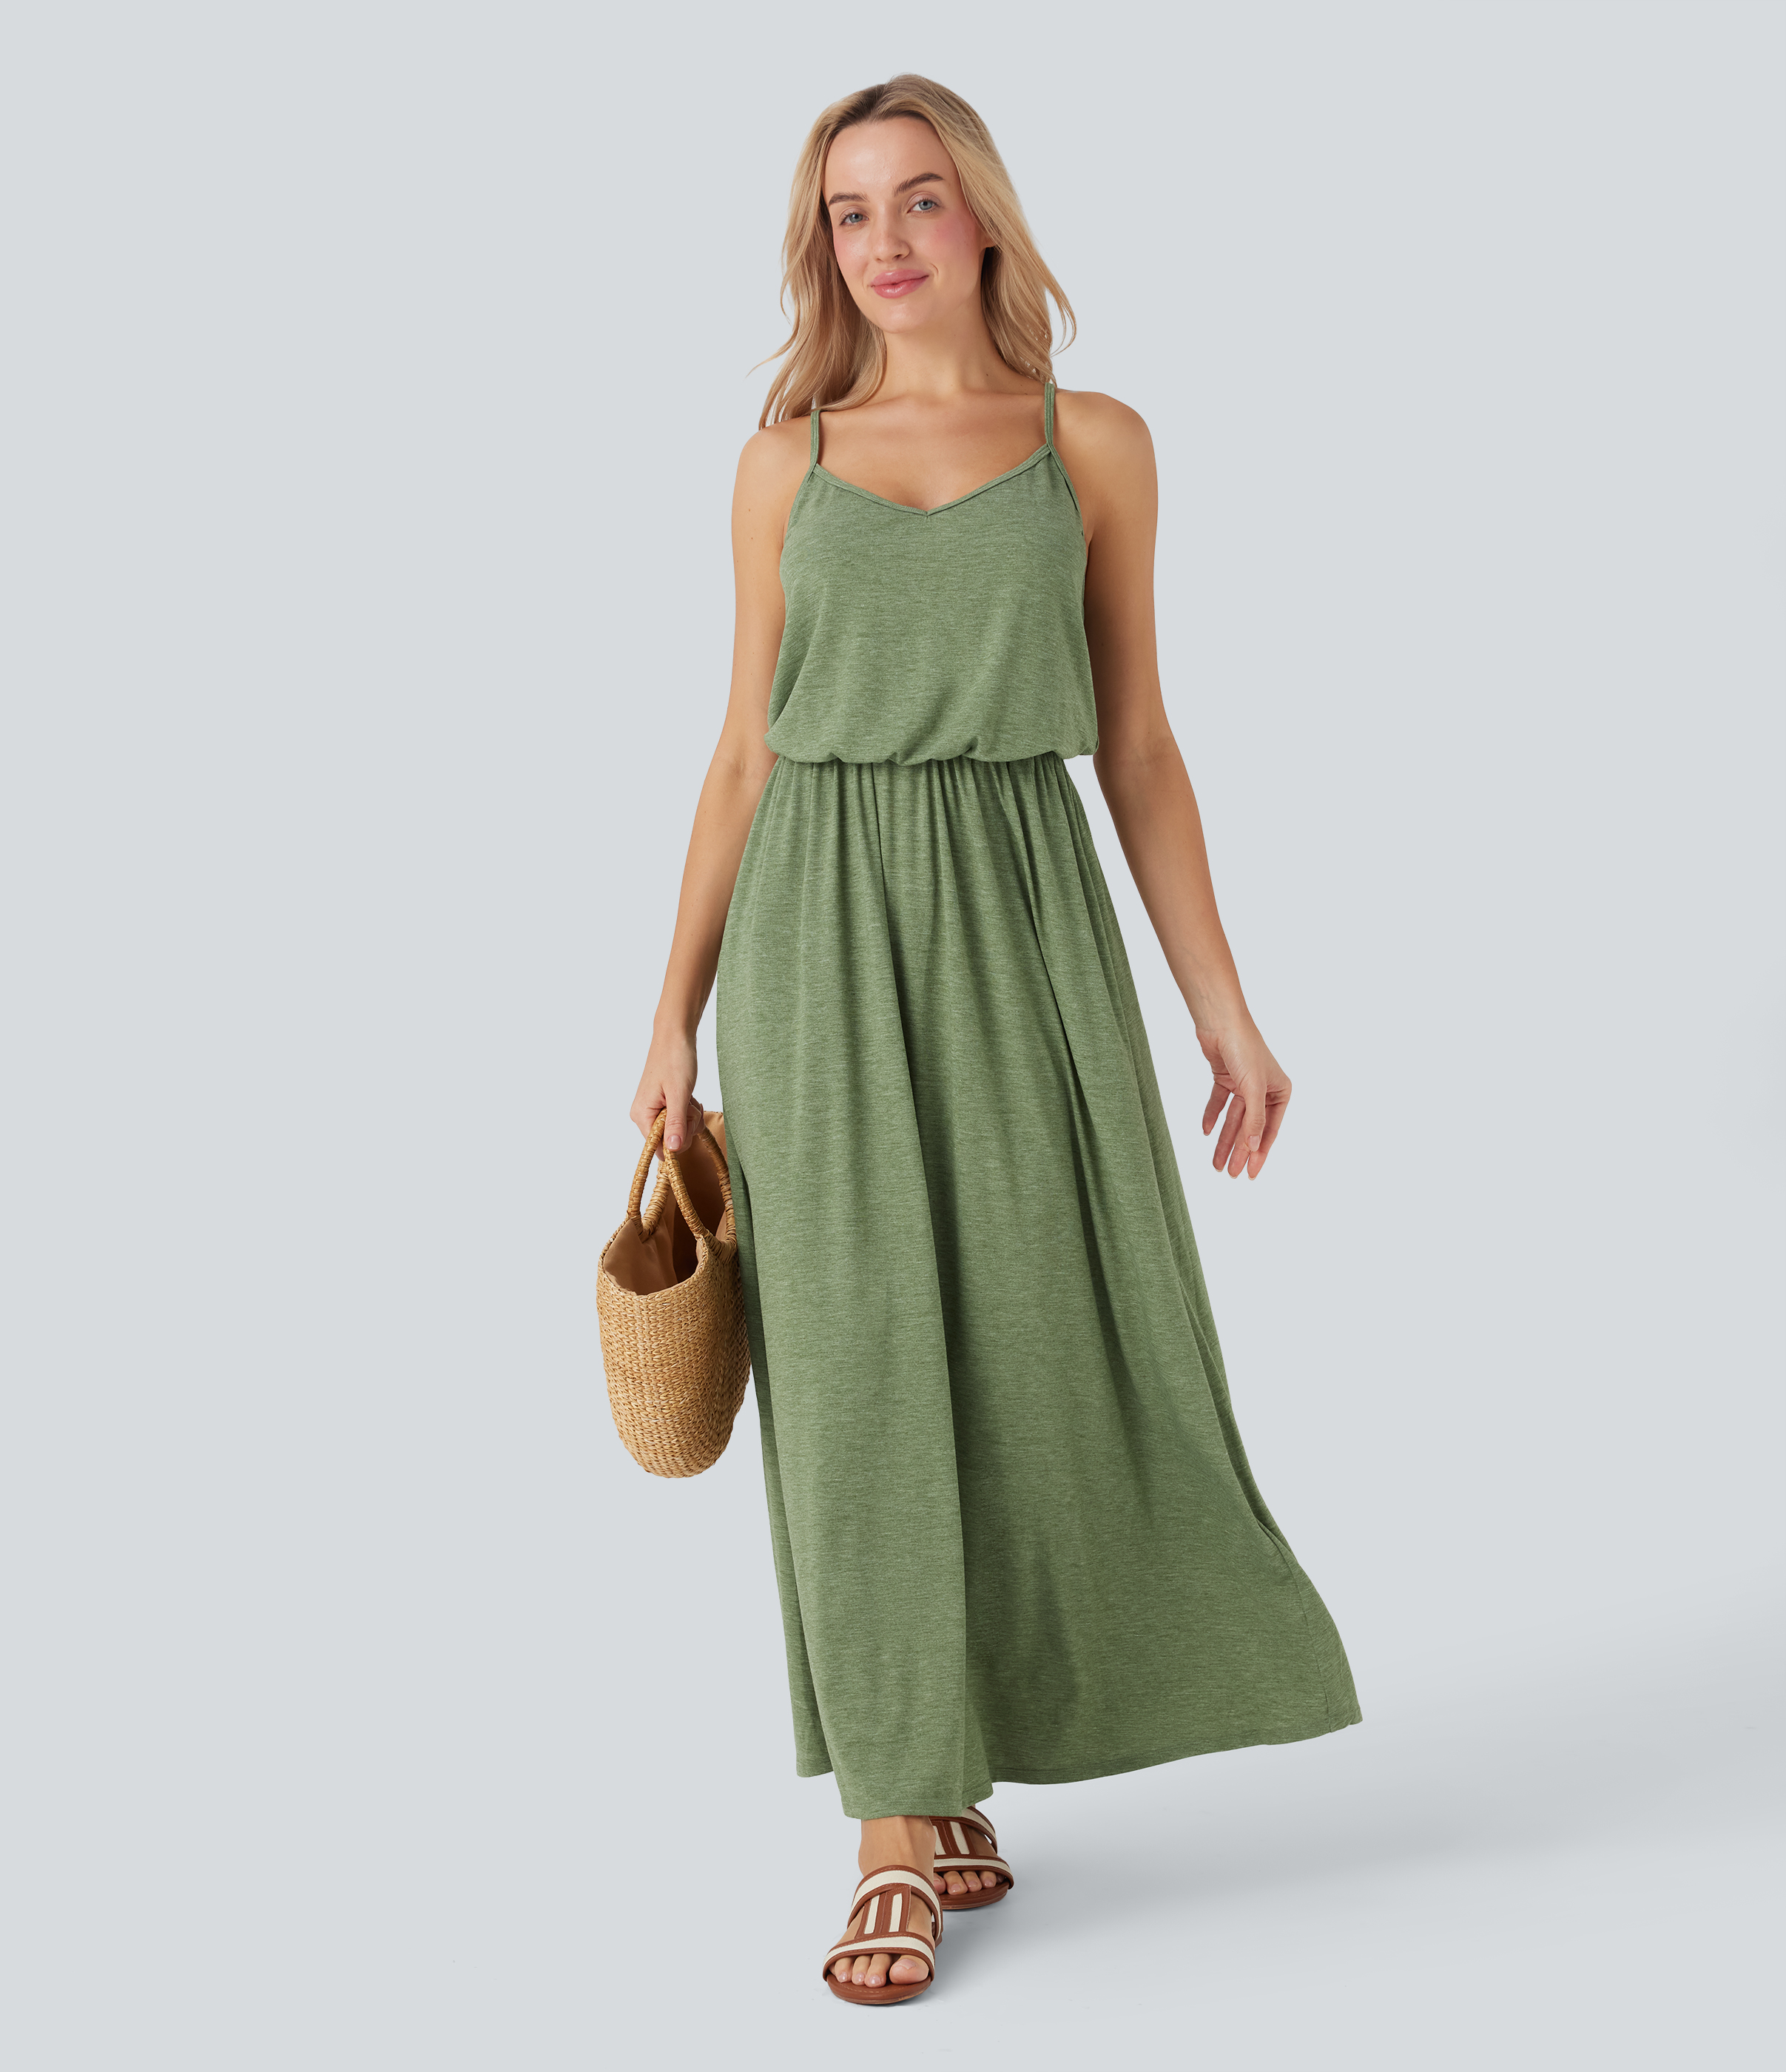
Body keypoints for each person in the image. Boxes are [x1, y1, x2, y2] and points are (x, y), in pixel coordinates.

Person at [630, 73, 1360, 2005]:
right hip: (813, 930)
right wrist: (670, 1015)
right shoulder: (780, 462)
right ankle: (897, 1817)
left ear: (984, 221)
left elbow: (1140, 744)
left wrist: (1224, 1008)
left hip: (1029, 917)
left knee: (1051, 1337)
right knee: (857, 1362)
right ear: (822, 246)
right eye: (848, 209)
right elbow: (738, 753)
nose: (883, 239)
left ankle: (974, 1746)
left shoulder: (1090, 443)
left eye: (920, 197)